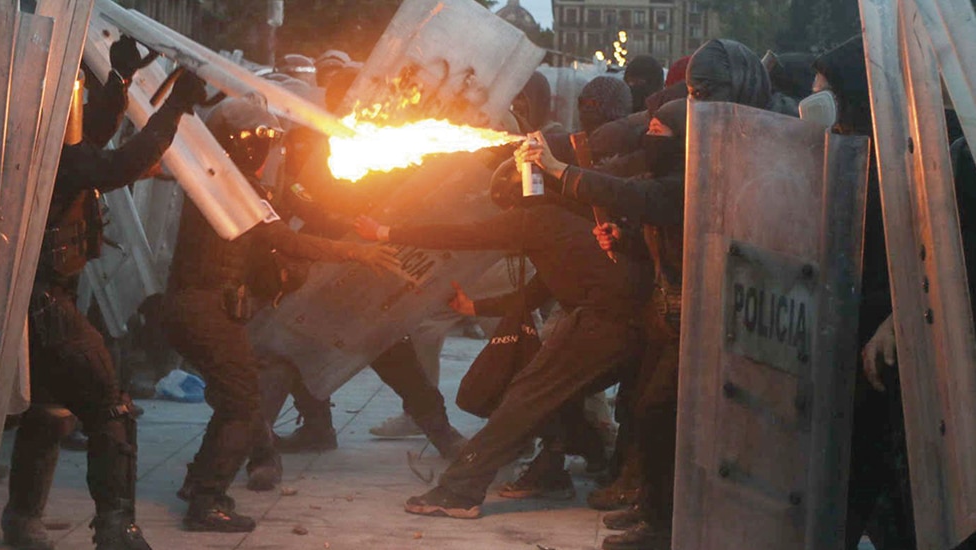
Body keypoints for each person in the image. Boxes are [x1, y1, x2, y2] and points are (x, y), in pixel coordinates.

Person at [516, 38, 782, 549]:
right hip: (677, 313)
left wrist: (558, 169)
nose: (654, 138)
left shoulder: (724, 166)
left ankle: (667, 523)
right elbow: (657, 217)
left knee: (667, 415)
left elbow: (645, 197)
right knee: (648, 411)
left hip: (720, 317)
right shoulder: (693, 158)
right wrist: (624, 238)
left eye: (663, 131)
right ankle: (657, 510)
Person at [355, 152, 653, 519]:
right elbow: (532, 294)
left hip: (606, 323)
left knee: (525, 398)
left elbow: (465, 236)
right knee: (557, 397)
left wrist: (385, 232)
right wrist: (474, 308)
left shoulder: (537, 219)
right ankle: (562, 467)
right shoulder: (568, 224)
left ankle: (459, 491)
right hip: (632, 327)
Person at [161, 97, 408, 533]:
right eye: (267, 145)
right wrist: (355, 251)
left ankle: (199, 482)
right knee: (242, 404)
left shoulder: (216, 181)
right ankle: (206, 501)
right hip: (207, 311)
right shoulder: (234, 189)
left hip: (196, 308)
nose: (271, 155)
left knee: (234, 399)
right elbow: (285, 240)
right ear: (248, 146)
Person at [2, 37, 206, 550]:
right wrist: (174, 108)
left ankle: (23, 520)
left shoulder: (24, 134)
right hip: (44, 302)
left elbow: (88, 136)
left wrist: (118, 83)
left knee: (48, 408)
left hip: (29, 297)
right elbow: (115, 166)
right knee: (109, 407)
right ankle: (117, 528)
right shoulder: (43, 150)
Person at [811, 35, 918, 550]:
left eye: (827, 96)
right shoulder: (837, 158)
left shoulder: (906, 164)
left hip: (889, 359)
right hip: (850, 346)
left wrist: (898, 316)